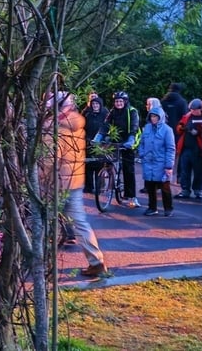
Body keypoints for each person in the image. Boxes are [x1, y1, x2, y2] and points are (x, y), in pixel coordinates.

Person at [42, 92, 108, 277]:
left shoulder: (57, 128)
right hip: (74, 180)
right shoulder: (76, 122)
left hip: (56, 183)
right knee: (80, 223)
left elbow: (48, 160)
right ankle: (97, 261)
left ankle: (41, 263)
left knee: (44, 222)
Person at [95, 91, 141, 207]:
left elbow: (134, 127)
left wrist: (130, 140)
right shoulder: (112, 112)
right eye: (116, 101)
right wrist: (98, 137)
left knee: (128, 169)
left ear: (125, 102)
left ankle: (132, 197)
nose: (118, 103)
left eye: (121, 101)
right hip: (116, 140)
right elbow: (105, 125)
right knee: (107, 159)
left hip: (129, 141)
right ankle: (109, 174)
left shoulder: (132, 111)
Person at [139, 106, 176, 216]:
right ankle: (152, 207)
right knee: (150, 186)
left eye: (155, 116)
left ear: (161, 117)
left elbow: (170, 148)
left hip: (161, 162)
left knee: (165, 187)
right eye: (151, 116)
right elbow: (142, 143)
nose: (153, 118)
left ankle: (168, 208)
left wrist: (169, 166)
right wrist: (142, 154)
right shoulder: (147, 128)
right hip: (148, 161)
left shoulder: (167, 130)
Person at [175, 99, 202, 199]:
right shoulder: (187, 116)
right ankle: (185, 190)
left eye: (194, 110)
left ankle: (197, 190)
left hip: (198, 149)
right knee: (185, 170)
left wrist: (197, 132)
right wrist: (181, 127)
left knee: (199, 171)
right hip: (186, 148)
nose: (192, 111)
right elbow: (179, 126)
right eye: (191, 109)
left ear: (200, 109)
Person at [83, 95, 108, 194]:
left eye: (97, 104)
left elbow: (107, 126)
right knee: (88, 165)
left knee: (99, 165)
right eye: (93, 104)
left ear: (100, 104)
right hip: (88, 141)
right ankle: (88, 186)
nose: (95, 105)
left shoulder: (105, 113)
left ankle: (99, 188)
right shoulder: (87, 113)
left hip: (100, 143)